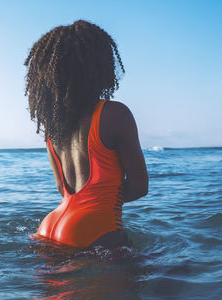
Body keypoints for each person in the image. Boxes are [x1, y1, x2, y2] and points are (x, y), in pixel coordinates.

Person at [23, 20, 148, 249]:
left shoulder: (53, 128)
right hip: (92, 226)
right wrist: (102, 202)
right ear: (99, 66)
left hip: (49, 227)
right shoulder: (114, 114)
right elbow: (140, 186)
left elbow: (63, 189)